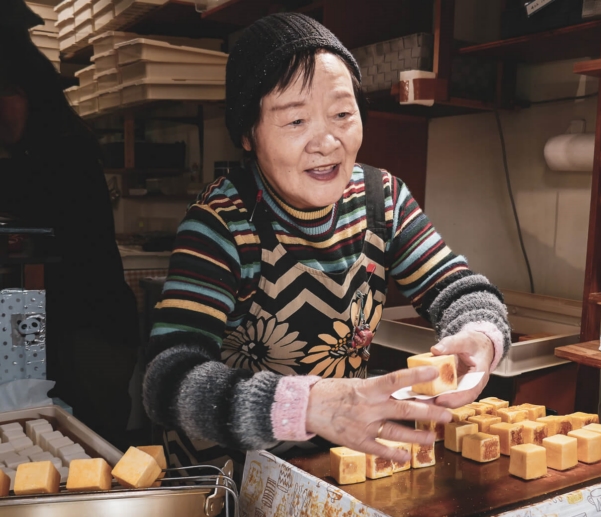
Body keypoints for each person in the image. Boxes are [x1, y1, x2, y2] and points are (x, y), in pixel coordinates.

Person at [143, 13, 511, 466]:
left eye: (341, 114)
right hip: (229, 481)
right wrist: (307, 405)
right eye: (295, 121)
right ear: (246, 135)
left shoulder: (383, 200)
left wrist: (480, 336)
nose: (326, 141)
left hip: (335, 465)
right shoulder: (221, 225)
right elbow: (167, 378)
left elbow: (461, 289)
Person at [0, 2, 139, 448]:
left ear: (24, 94)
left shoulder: (60, 150)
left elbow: (44, 253)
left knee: (91, 450)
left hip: (89, 332)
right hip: (60, 327)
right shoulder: (39, 144)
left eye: (5, 93)